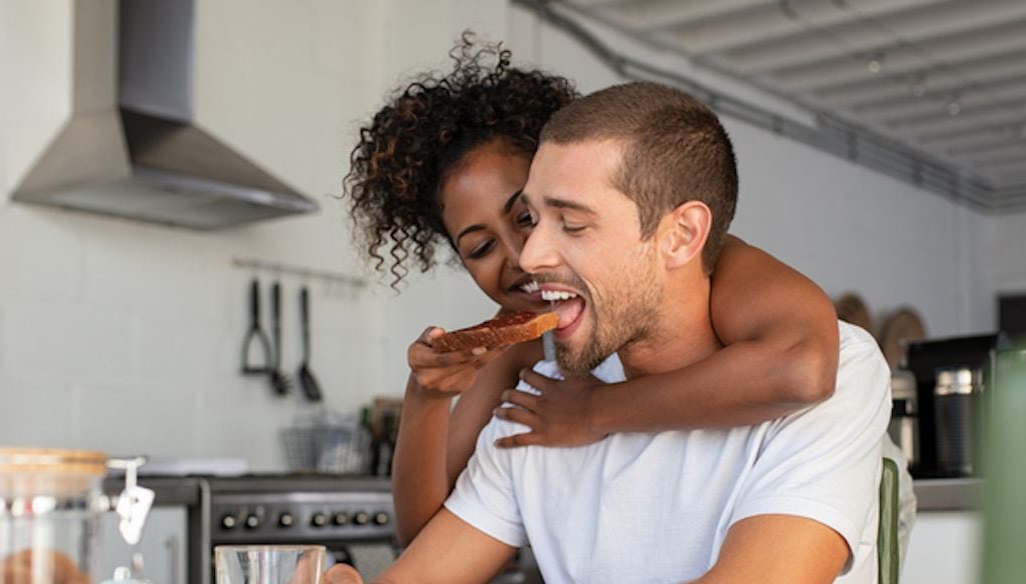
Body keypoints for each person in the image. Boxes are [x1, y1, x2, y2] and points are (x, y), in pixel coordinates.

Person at [318, 81, 891, 584]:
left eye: (570, 223)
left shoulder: (838, 368)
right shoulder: (543, 397)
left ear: (681, 236)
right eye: (531, 220)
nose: (530, 256)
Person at [345, 38, 884, 547]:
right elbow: (424, 538)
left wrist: (595, 412)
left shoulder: (706, 262)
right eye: (481, 247)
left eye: (530, 216)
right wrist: (428, 394)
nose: (522, 256)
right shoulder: (518, 348)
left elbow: (801, 368)